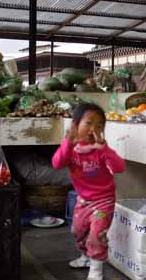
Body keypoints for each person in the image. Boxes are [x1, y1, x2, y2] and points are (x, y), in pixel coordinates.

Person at [52, 103, 125, 280]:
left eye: (99, 126)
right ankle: (86, 257)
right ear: (76, 125)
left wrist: (105, 149)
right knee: (78, 232)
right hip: (83, 200)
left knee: (96, 234)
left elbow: (119, 167)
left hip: (104, 200)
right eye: (89, 123)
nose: (94, 129)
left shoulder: (100, 150)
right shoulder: (71, 149)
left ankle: (96, 271)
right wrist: (68, 142)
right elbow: (57, 163)